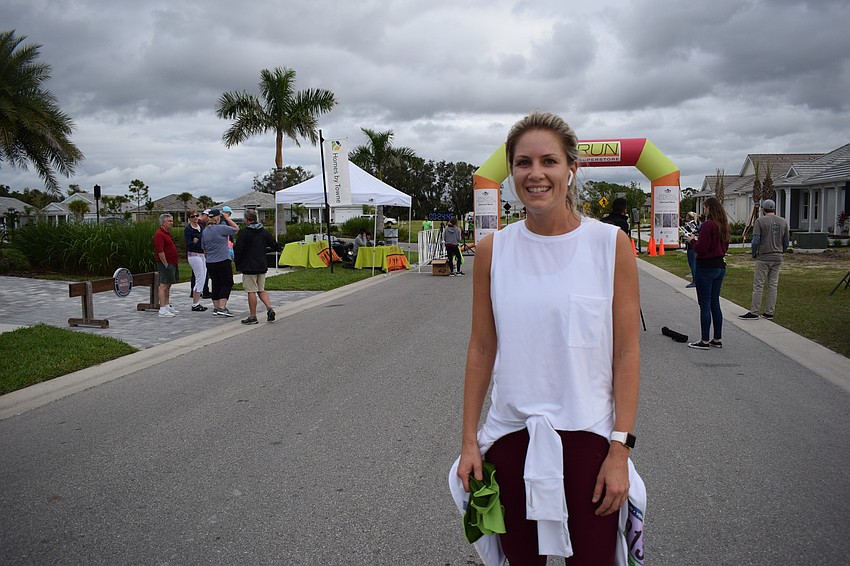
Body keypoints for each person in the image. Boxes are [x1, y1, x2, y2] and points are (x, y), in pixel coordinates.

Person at [453, 111, 642, 564]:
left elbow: (626, 351)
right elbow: (482, 348)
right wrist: (468, 441)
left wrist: (620, 448)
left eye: (549, 161)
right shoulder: (493, 250)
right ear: (510, 172)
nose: (535, 174)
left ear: (571, 168)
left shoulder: (610, 244)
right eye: (523, 163)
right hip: (512, 436)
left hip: (589, 439)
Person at [685, 197, 730, 349]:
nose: (704, 211)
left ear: (710, 208)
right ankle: (717, 338)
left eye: (705, 208)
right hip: (720, 266)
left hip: (706, 267)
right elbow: (724, 246)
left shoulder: (708, 225)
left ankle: (704, 340)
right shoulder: (724, 225)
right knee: (714, 303)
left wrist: (692, 240)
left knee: (704, 305)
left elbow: (701, 248)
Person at [739, 199, 790, 320]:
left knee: (759, 285)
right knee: (773, 285)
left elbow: (755, 240)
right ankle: (769, 312)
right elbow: (786, 241)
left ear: (763, 209)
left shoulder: (760, 221)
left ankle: (754, 311)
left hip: (764, 256)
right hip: (777, 256)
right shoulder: (783, 221)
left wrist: (754, 253)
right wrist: (781, 251)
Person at [233, 209, 281, 324]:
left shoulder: (244, 233)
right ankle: (269, 308)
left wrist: (237, 263)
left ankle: (253, 316)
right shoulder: (263, 232)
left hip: (249, 266)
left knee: (251, 291)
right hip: (262, 265)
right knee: (261, 289)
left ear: (247, 219)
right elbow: (275, 245)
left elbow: (238, 249)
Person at [202, 208, 239, 317]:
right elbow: (236, 229)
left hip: (210, 261)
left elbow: (203, 247)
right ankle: (222, 307)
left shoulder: (205, 231)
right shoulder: (221, 228)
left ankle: (216, 307)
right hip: (223, 260)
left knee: (216, 283)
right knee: (227, 282)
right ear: (218, 218)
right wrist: (227, 218)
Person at [153, 213, 180, 318]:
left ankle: (167, 305)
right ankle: (162, 309)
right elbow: (160, 251)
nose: (171, 223)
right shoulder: (159, 234)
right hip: (165, 263)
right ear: (163, 222)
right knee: (163, 285)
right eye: (169, 221)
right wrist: (166, 264)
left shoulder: (167, 233)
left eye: (172, 221)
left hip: (172, 262)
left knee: (168, 285)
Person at [183, 209, 208, 312]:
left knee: (204, 276)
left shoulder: (201, 227)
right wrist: (193, 242)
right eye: (193, 216)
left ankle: (197, 302)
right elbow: (188, 244)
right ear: (189, 218)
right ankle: (195, 303)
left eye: (197, 215)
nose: (195, 218)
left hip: (202, 254)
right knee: (199, 277)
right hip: (193, 255)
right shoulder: (188, 229)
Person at [684, 211, 698, 288]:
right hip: (693, 245)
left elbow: (693, 233)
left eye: (687, 216)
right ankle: (696, 280)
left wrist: (687, 235)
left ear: (689, 217)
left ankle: (695, 281)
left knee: (692, 264)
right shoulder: (695, 224)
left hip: (691, 246)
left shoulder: (690, 224)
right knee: (694, 263)